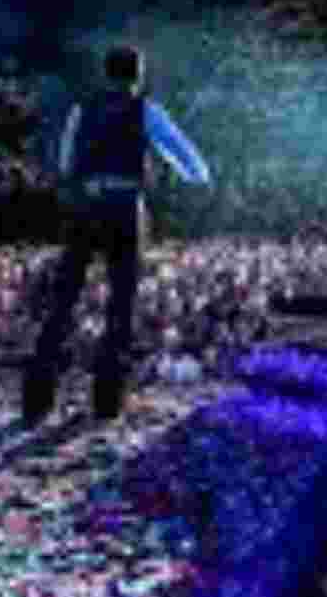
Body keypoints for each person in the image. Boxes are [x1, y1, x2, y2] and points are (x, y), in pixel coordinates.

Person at [23, 45, 212, 424]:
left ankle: (37, 400)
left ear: (105, 73)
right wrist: (196, 178)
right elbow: (186, 158)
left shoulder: (82, 109)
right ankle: (107, 402)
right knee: (120, 305)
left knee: (64, 299)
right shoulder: (146, 110)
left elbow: (66, 162)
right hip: (124, 209)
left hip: (84, 209)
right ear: (138, 75)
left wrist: (81, 185)